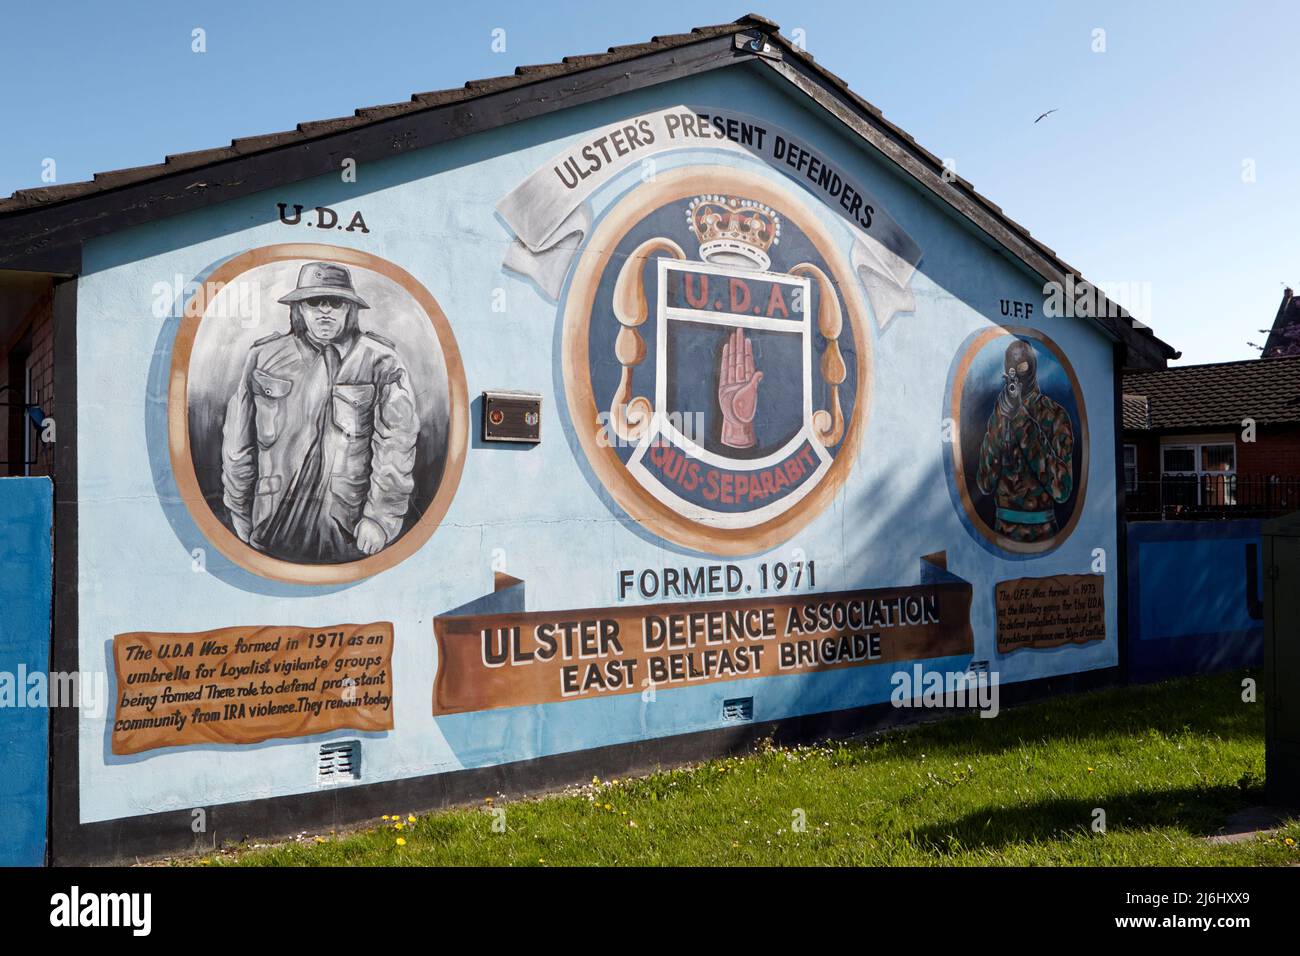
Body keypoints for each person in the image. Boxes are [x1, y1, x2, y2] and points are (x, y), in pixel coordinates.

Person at [221, 262, 418, 563]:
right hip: (271, 517)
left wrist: (380, 517)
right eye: (314, 302)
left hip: (347, 524)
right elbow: (238, 442)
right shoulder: (263, 358)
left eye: (335, 302)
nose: (325, 310)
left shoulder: (381, 361)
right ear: (299, 309)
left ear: (349, 309)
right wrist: (238, 507)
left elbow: (396, 445)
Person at [975, 339, 1074, 542]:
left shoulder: (1055, 415)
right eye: (1011, 369)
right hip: (1002, 532)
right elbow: (985, 482)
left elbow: (1061, 490)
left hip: (1043, 533)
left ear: (1033, 367)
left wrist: (1019, 417)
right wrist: (1000, 420)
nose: (1017, 374)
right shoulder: (999, 413)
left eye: (1022, 367)